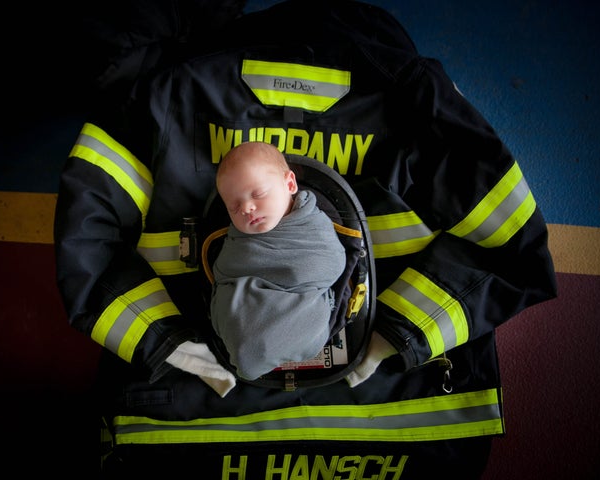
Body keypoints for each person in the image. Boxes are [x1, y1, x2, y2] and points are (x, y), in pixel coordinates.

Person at [53, 1, 557, 477]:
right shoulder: (415, 98)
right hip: (404, 428)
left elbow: (88, 241)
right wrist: (394, 343)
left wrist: (174, 350)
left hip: (188, 427)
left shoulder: (161, 94)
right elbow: (512, 246)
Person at [209, 141, 347, 380]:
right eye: (234, 206)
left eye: (258, 194)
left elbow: (332, 264)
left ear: (290, 183)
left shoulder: (312, 227)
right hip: (243, 310)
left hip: (299, 309)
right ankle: (251, 351)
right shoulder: (238, 238)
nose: (247, 208)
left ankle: (260, 351)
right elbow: (225, 272)